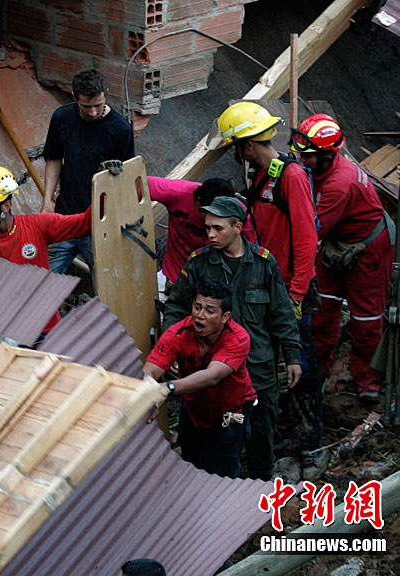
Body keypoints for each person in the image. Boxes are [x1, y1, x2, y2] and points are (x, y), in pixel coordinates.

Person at [163, 197, 301, 480]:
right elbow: (176, 308)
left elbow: (281, 313)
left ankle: (261, 487)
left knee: (260, 435)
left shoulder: (263, 263)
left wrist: (292, 356)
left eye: (218, 228)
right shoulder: (199, 264)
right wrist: (172, 353)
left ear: (237, 227)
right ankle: (209, 491)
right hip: (210, 371)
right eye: (207, 228)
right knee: (211, 441)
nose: (210, 234)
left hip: (257, 369)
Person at [217, 102, 323, 468]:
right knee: (272, 361)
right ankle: (276, 427)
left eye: (236, 146)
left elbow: (306, 240)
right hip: (268, 282)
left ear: (247, 144)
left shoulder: (290, 177)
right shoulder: (264, 174)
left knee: (300, 361)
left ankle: (309, 440)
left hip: (291, 288)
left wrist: (295, 295)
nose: (236, 154)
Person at [292, 114, 396, 402]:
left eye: (308, 155)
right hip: (338, 243)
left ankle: (368, 379)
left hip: (369, 249)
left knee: (366, 318)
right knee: (323, 307)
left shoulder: (339, 185)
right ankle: (318, 371)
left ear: (326, 155)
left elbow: (310, 232)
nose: (302, 159)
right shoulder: (321, 169)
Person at [145, 281, 256, 478]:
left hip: (231, 412)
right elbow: (151, 369)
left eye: (210, 311)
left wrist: (166, 388)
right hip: (193, 409)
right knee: (190, 463)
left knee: (220, 469)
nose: (200, 315)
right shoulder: (178, 333)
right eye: (197, 307)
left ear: (225, 317)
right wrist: (147, 392)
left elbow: (212, 376)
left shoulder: (238, 338)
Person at [0, 165, 91, 333]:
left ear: (6, 205)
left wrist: (108, 187)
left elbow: (84, 222)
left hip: (49, 330)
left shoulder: (37, 225)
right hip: (10, 334)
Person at [42, 68, 136, 285]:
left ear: (106, 94)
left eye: (98, 105)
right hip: (65, 217)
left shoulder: (121, 129)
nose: (93, 112)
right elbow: (54, 158)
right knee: (41, 280)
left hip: (100, 224)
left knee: (105, 286)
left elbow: (129, 178)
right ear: (74, 96)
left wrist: (113, 175)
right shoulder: (62, 118)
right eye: (86, 106)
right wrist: (47, 201)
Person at [148, 176, 256, 293]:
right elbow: (137, 181)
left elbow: (249, 254)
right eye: (208, 214)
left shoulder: (240, 214)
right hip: (172, 278)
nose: (211, 233)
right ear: (198, 202)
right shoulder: (177, 192)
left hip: (212, 286)